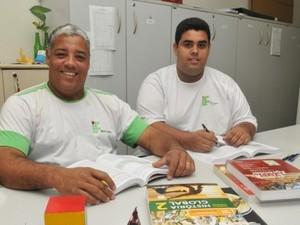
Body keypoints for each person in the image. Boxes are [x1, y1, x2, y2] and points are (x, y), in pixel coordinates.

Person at [0, 24, 195, 205]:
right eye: (61, 54)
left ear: (88, 63)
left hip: (109, 201)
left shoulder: (110, 103)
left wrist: (174, 149)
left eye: (80, 57)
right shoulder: (23, 104)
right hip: (50, 206)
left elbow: (152, 136)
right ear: (48, 58)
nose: (70, 63)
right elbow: (5, 165)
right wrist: (58, 176)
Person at [136, 17, 257, 153]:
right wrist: (187, 140)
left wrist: (244, 129)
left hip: (216, 157)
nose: (195, 51)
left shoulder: (225, 83)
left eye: (201, 45)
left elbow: (247, 120)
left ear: (209, 49)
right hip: (165, 159)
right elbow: (149, 126)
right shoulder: (156, 82)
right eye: (188, 44)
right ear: (175, 48)